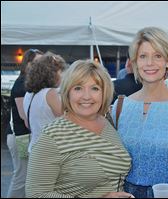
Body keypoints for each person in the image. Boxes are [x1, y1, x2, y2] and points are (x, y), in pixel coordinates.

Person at [112, 27, 168, 198]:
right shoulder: (120, 106)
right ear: (135, 62)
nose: (150, 63)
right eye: (143, 56)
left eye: (157, 56)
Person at [25, 60, 133, 198]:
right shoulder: (52, 136)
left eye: (95, 88)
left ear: (104, 93)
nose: (86, 96)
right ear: (67, 93)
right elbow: (36, 194)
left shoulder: (107, 122)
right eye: (78, 88)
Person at [6, 48, 43, 198]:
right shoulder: (22, 83)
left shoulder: (31, 83)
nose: (39, 66)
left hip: (23, 136)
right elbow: (24, 117)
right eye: (36, 63)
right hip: (20, 136)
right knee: (22, 177)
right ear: (27, 63)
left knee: (27, 177)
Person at [23, 51, 67, 153]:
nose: (62, 76)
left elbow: (27, 122)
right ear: (52, 74)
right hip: (50, 150)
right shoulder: (50, 93)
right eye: (60, 72)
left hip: (35, 147)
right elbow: (67, 120)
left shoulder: (29, 94)